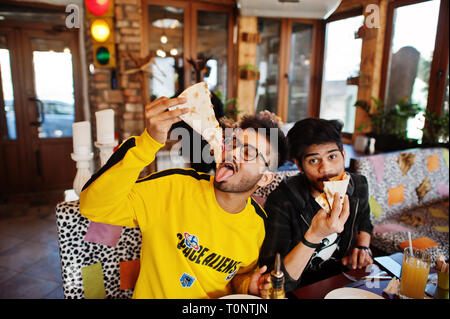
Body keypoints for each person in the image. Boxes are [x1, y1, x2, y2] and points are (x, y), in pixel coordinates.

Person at [79, 96, 287, 299]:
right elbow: (94, 208)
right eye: (232, 143)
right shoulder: (173, 187)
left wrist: (248, 285)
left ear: (265, 178)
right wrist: (147, 143)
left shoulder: (257, 224)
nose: (232, 153)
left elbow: (237, 276)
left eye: (248, 153)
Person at [259, 118, 374, 293]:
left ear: (344, 154)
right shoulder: (282, 201)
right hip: (300, 288)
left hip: (340, 280)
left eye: (332, 157)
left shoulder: (358, 185)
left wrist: (362, 247)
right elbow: (273, 276)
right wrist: (314, 236)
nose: (326, 169)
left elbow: (365, 220)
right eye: (313, 160)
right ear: (299, 165)